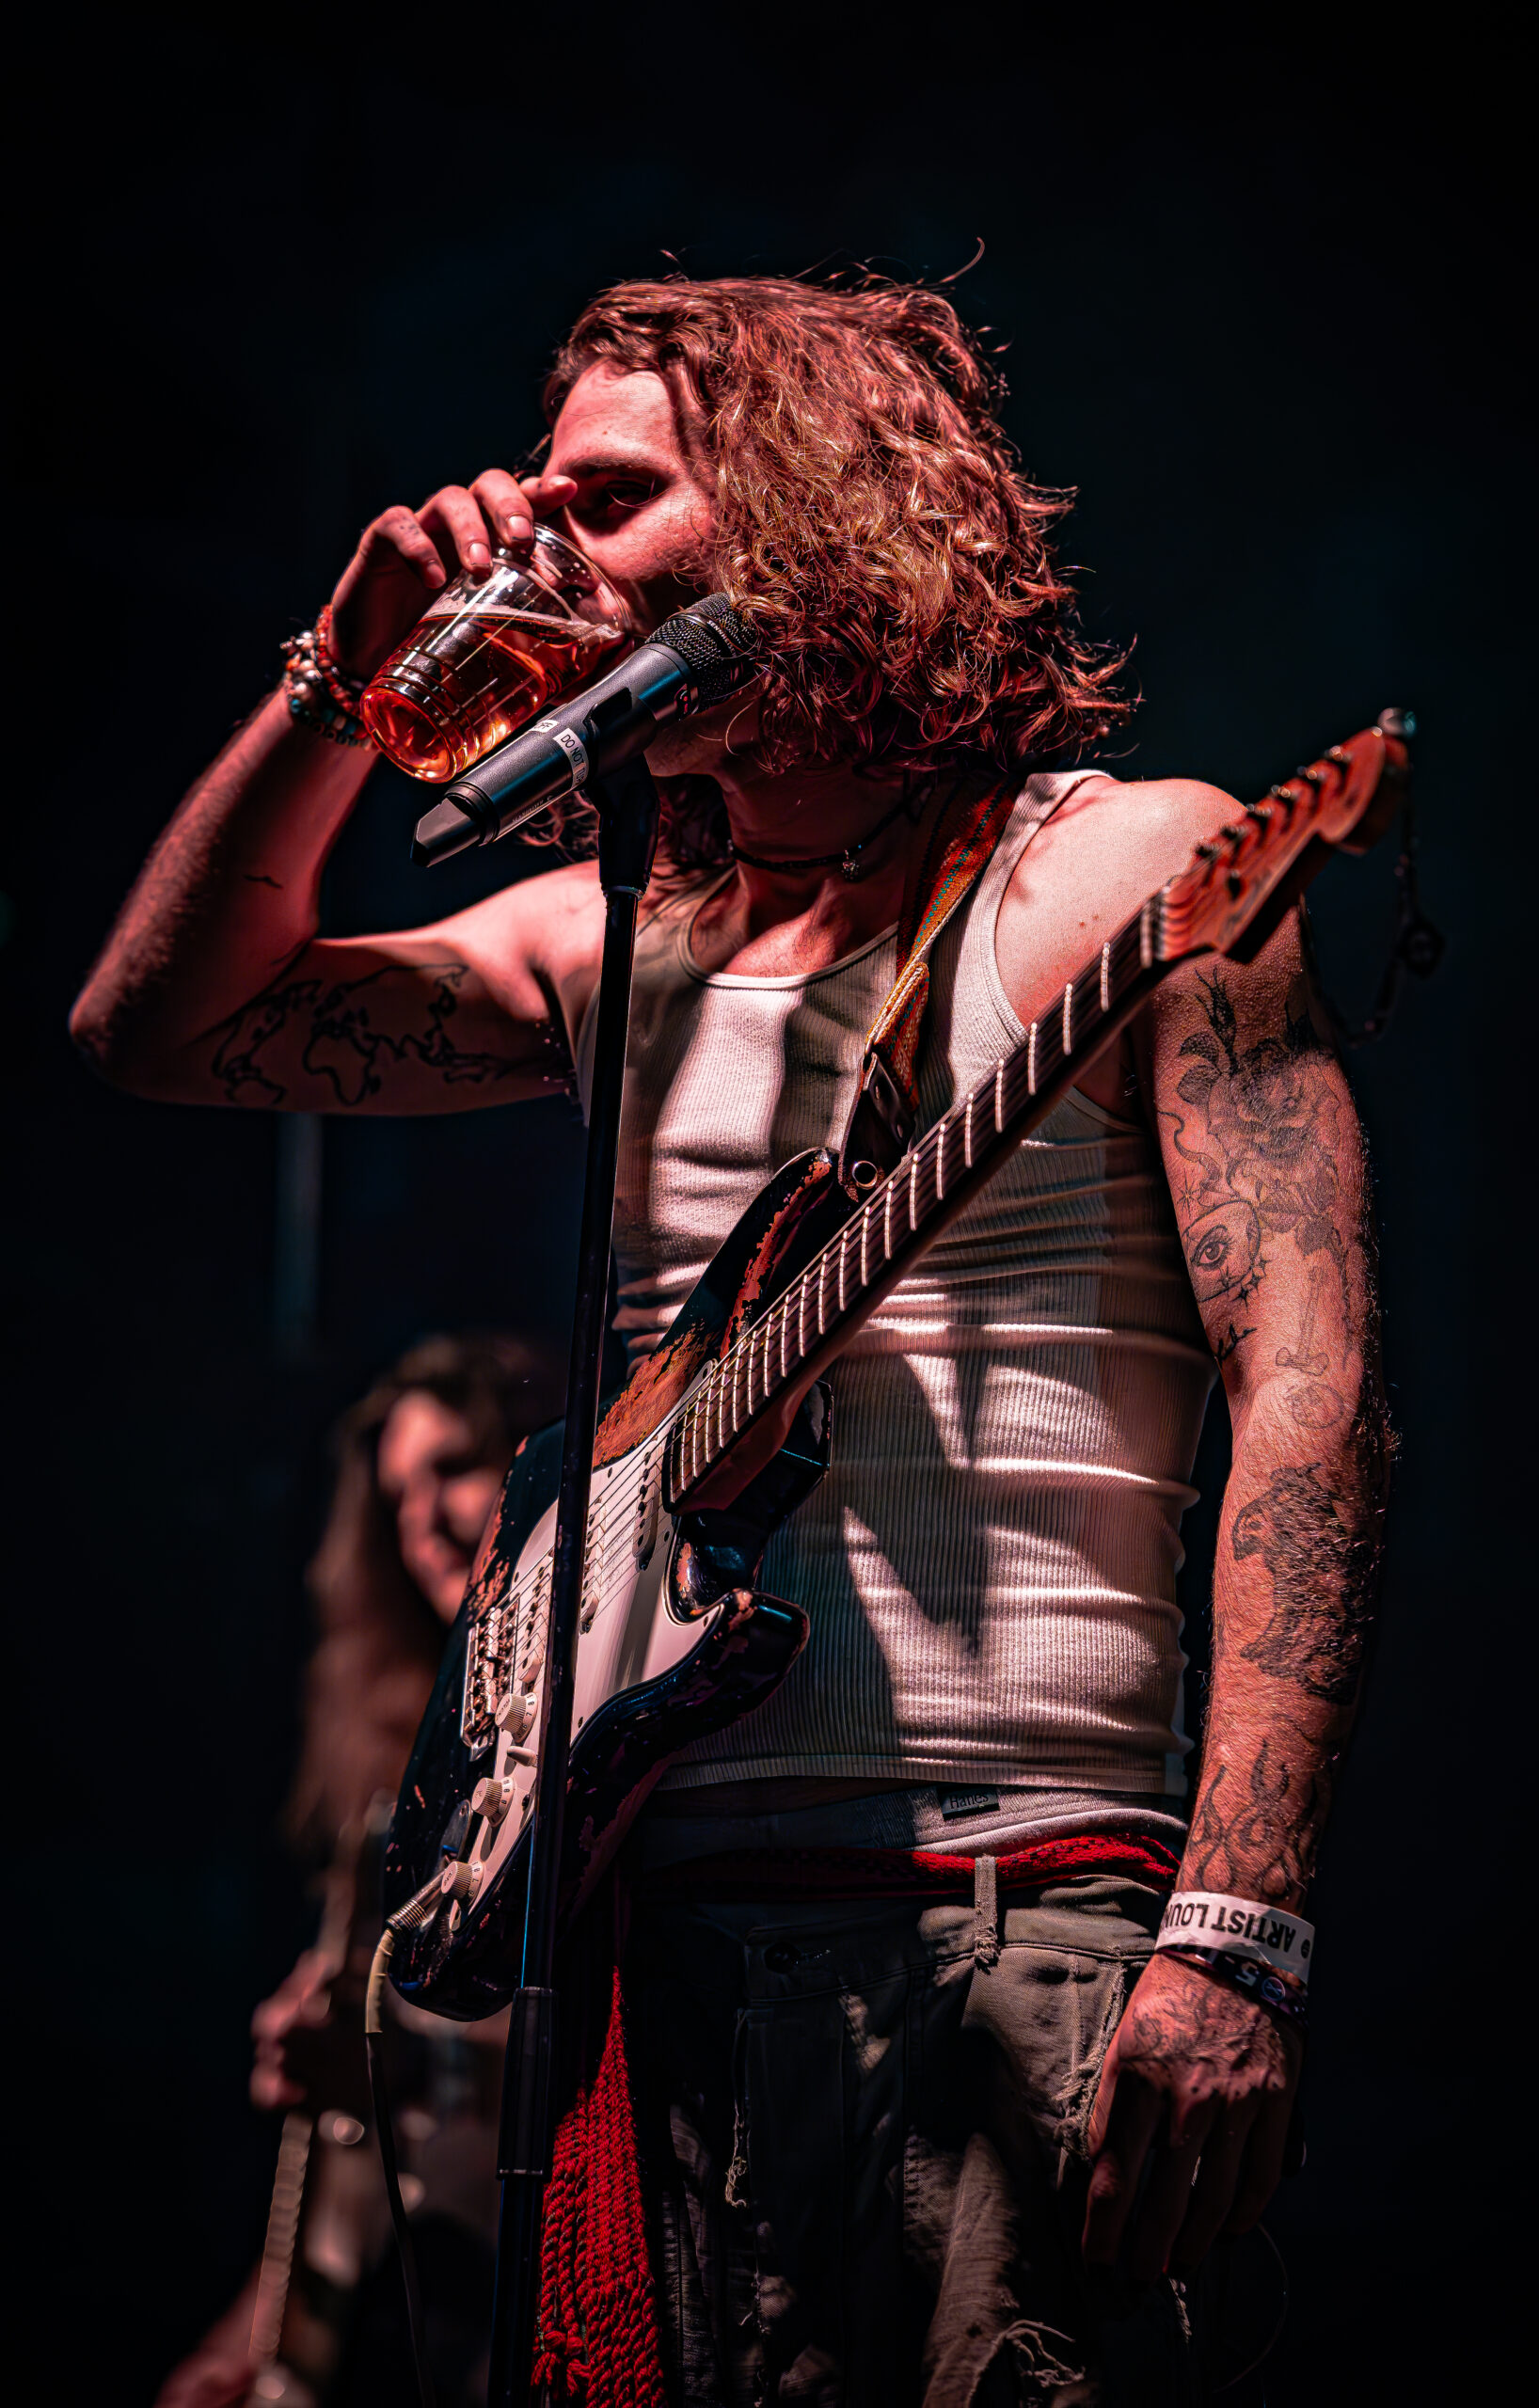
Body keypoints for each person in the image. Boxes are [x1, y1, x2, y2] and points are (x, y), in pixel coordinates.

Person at [78, 275, 1390, 2405]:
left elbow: (1311, 1399)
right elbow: (160, 1029)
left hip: (1013, 1889)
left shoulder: (1129, 868)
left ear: (807, 508)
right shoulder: (606, 940)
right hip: (638, 1924)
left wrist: (1232, 1927)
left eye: (609, 497)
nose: (540, 546)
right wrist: (340, 677)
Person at [157, 1334, 554, 2408]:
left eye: (457, 1467)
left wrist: (403, 2072)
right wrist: (254, 2335)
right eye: (396, 1494)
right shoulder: (393, 1779)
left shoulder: (587, 1733)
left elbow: (624, 2056)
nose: (422, 1521)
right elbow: (334, 2170)